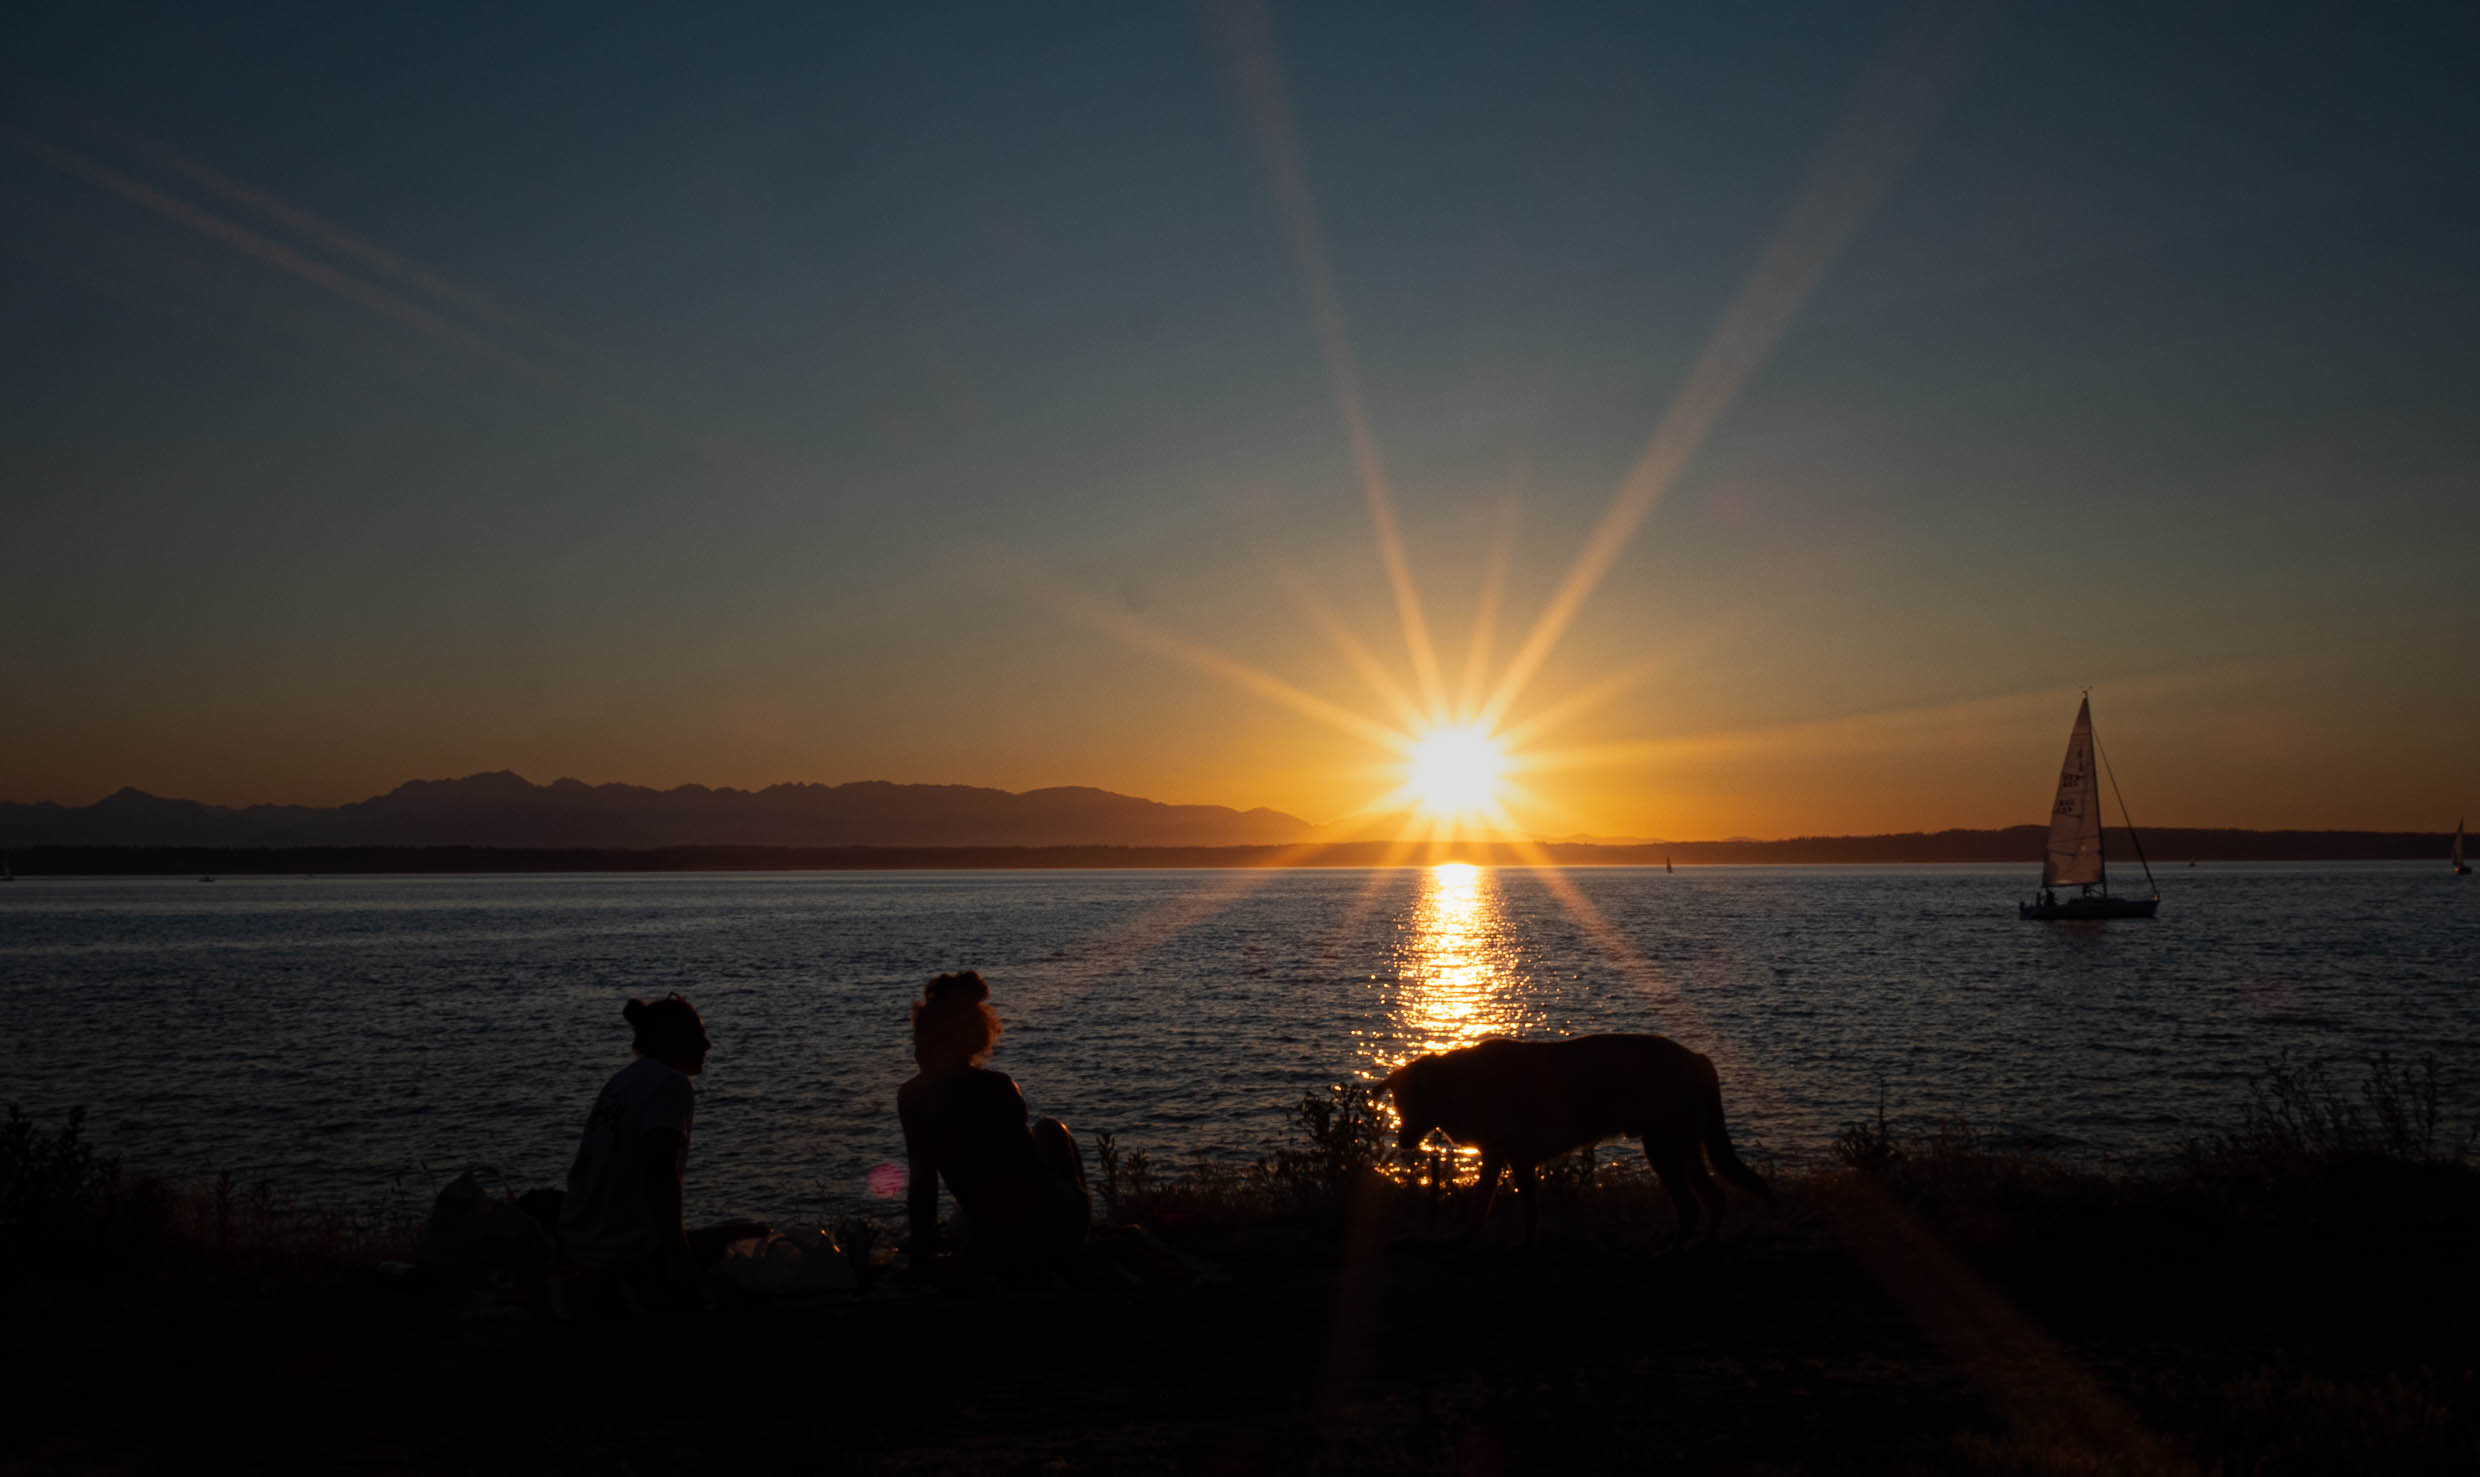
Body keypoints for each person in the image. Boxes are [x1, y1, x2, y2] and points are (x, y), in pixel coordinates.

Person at [562, 993, 755, 1302]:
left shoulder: (623, 1081)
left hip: (582, 1241)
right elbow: (660, 1172)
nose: (707, 1046)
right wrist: (680, 1258)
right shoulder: (671, 1083)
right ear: (673, 1039)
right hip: (621, 1251)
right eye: (698, 1036)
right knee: (754, 1237)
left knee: (731, 1235)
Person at [897, 971, 1089, 1278]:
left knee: (1048, 1131)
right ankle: (1076, 1228)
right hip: (1048, 1226)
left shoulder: (912, 1097)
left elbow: (923, 1183)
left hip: (997, 1232)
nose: (915, 1048)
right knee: (1051, 1130)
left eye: (920, 1037)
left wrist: (922, 1256)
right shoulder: (1000, 1086)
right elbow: (1025, 1170)